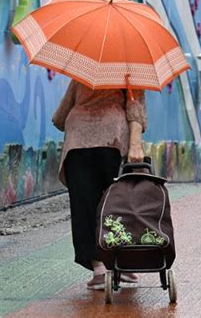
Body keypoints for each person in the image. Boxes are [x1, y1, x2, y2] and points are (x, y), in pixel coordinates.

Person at [52, 78, 147, 290]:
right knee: (118, 202)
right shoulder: (129, 70)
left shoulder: (84, 71)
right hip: (111, 140)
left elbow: (60, 116)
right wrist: (135, 145)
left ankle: (99, 269)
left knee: (83, 204)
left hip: (78, 143)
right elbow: (135, 110)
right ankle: (122, 263)